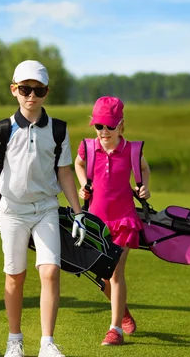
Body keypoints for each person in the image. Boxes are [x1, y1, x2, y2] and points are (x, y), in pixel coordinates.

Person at [0, 60, 86, 357]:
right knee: (15, 275)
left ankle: (47, 344)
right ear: (14, 90)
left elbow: (65, 172)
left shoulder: (59, 130)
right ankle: (15, 340)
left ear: (46, 92)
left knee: (50, 271)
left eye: (37, 90)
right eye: (25, 89)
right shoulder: (5, 128)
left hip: (45, 209)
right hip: (12, 211)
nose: (31, 96)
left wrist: (78, 212)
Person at [74, 96, 151, 346]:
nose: (104, 131)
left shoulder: (132, 150)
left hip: (124, 220)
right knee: (102, 276)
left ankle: (114, 329)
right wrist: (83, 185)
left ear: (121, 125)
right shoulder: (87, 147)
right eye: (99, 126)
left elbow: (144, 169)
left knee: (116, 272)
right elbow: (78, 163)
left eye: (109, 126)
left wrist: (144, 188)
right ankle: (123, 311)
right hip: (95, 222)